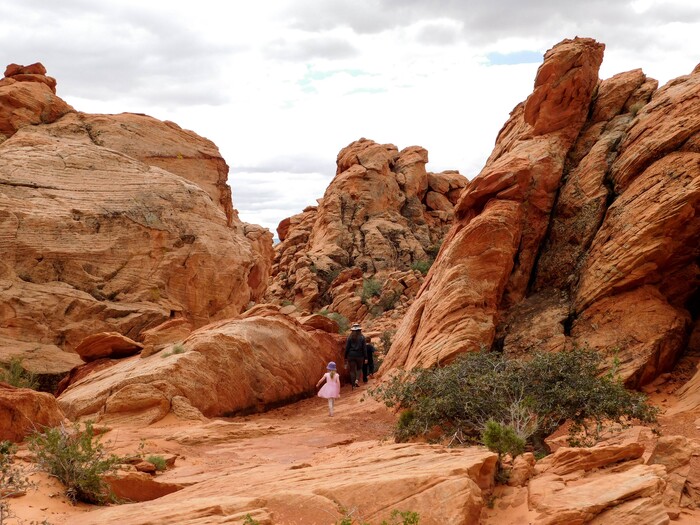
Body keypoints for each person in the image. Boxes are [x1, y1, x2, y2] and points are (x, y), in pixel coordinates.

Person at [344, 323, 367, 388]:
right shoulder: (362, 337)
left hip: (351, 355)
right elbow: (364, 348)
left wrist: (345, 356)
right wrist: (366, 357)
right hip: (360, 356)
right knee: (359, 369)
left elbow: (347, 348)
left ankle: (353, 385)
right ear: (359, 330)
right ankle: (356, 380)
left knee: (352, 370)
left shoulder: (350, 337)